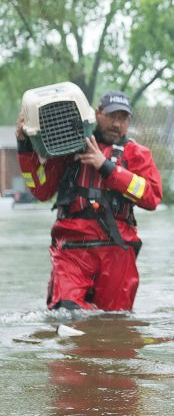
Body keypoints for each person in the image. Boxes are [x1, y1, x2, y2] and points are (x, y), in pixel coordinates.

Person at [16, 91, 163, 311]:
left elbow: (152, 197)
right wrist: (24, 146)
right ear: (97, 114)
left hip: (117, 251)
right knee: (66, 313)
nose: (117, 123)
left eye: (123, 118)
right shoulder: (68, 149)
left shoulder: (136, 153)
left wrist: (106, 166)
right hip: (72, 250)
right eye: (112, 116)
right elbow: (41, 191)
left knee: (115, 327)